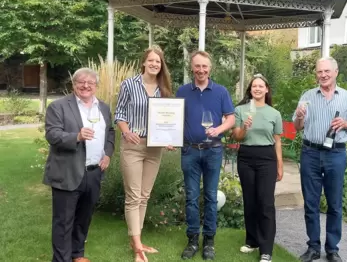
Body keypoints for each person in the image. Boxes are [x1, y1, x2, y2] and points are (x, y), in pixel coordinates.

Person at [293, 57, 347, 262]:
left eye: (327, 71)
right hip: (310, 154)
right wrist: (299, 116)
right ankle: (313, 247)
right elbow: (297, 126)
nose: (323, 75)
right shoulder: (307, 96)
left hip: (336, 154)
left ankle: (332, 249)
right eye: (319, 72)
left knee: (334, 203)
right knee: (311, 203)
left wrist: (346, 123)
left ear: (335, 72)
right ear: (316, 74)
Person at [43, 68, 115, 262]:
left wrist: (107, 154)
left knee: (83, 218)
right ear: (73, 84)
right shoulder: (58, 107)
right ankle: (61, 259)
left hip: (93, 172)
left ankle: (77, 254)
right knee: (64, 222)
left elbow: (110, 132)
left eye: (90, 82)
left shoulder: (103, 108)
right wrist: (76, 136)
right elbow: (52, 134)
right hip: (67, 172)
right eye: (81, 82)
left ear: (96, 86)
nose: (86, 86)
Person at [175, 50, 235, 260]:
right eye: (197, 66)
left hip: (213, 151)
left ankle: (209, 241)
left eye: (204, 66)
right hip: (189, 150)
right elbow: (174, 119)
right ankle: (192, 240)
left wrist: (218, 130)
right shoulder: (182, 91)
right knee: (191, 197)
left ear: (210, 68)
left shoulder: (221, 91)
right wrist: (169, 139)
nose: (201, 70)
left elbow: (230, 118)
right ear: (192, 67)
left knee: (210, 197)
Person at [115, 47, 173, 262]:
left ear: (161, 65)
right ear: (144, 63)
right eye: (151, 61)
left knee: (144, 195)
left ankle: (135, 240)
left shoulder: (163, 88)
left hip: (154, 148)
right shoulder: (129, 84)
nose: (154, 64)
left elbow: (167, 120)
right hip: (133, 144)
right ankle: (138, 247)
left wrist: (169, 138)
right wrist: (127, 131)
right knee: (133, 195)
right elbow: (120, 112)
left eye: (158, 62)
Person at [231, 74, 283, 262]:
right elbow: (237, 137)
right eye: (254, 86)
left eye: (261, 86)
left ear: (266, 89)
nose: (258, 89)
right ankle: (252, 240)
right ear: (250, 89)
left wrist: (280, 165)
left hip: (267, 159)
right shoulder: (241, 110)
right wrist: (244, 127)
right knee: (250, 201)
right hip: (246, 157)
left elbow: (277, 142)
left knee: (266, 203)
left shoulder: (274, 114)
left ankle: (266, 249)